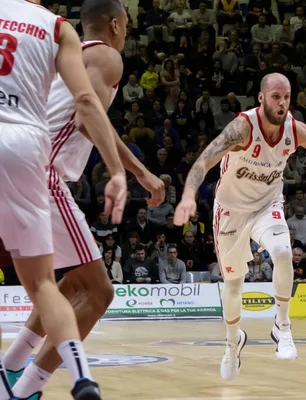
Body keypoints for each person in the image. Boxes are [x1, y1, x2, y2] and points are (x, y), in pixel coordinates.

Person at [1, 1, 164, 399]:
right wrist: (135, 172)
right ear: (114, 25)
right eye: (127, 25)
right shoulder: (107, 56)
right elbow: (85, 118)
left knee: (70, 283)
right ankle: (23, 390)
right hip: (42, 171)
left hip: (29, 165)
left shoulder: (69, 54)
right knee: (98, 292)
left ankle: (9, 368)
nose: (127, 33)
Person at [174, 73, 306, 380]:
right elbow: (203, 161)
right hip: (231, 211)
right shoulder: (242, 128)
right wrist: (187, 196)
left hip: (267, 205)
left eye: (287, 97)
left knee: (283, 252)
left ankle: (282, 326)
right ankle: (232, 344)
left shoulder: (295, 129)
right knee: (234, 285)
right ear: (261, 98)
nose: (282, 103)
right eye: (276, 97)